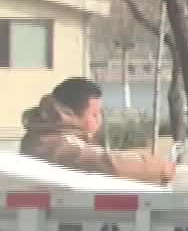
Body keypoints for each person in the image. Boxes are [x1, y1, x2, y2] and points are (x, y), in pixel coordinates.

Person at [20, 77, 176, 183]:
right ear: (68, 115)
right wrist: (161, 168)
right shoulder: (54, 144)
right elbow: (110, 165)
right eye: (94, 114)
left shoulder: (48, 137)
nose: (99, 120)